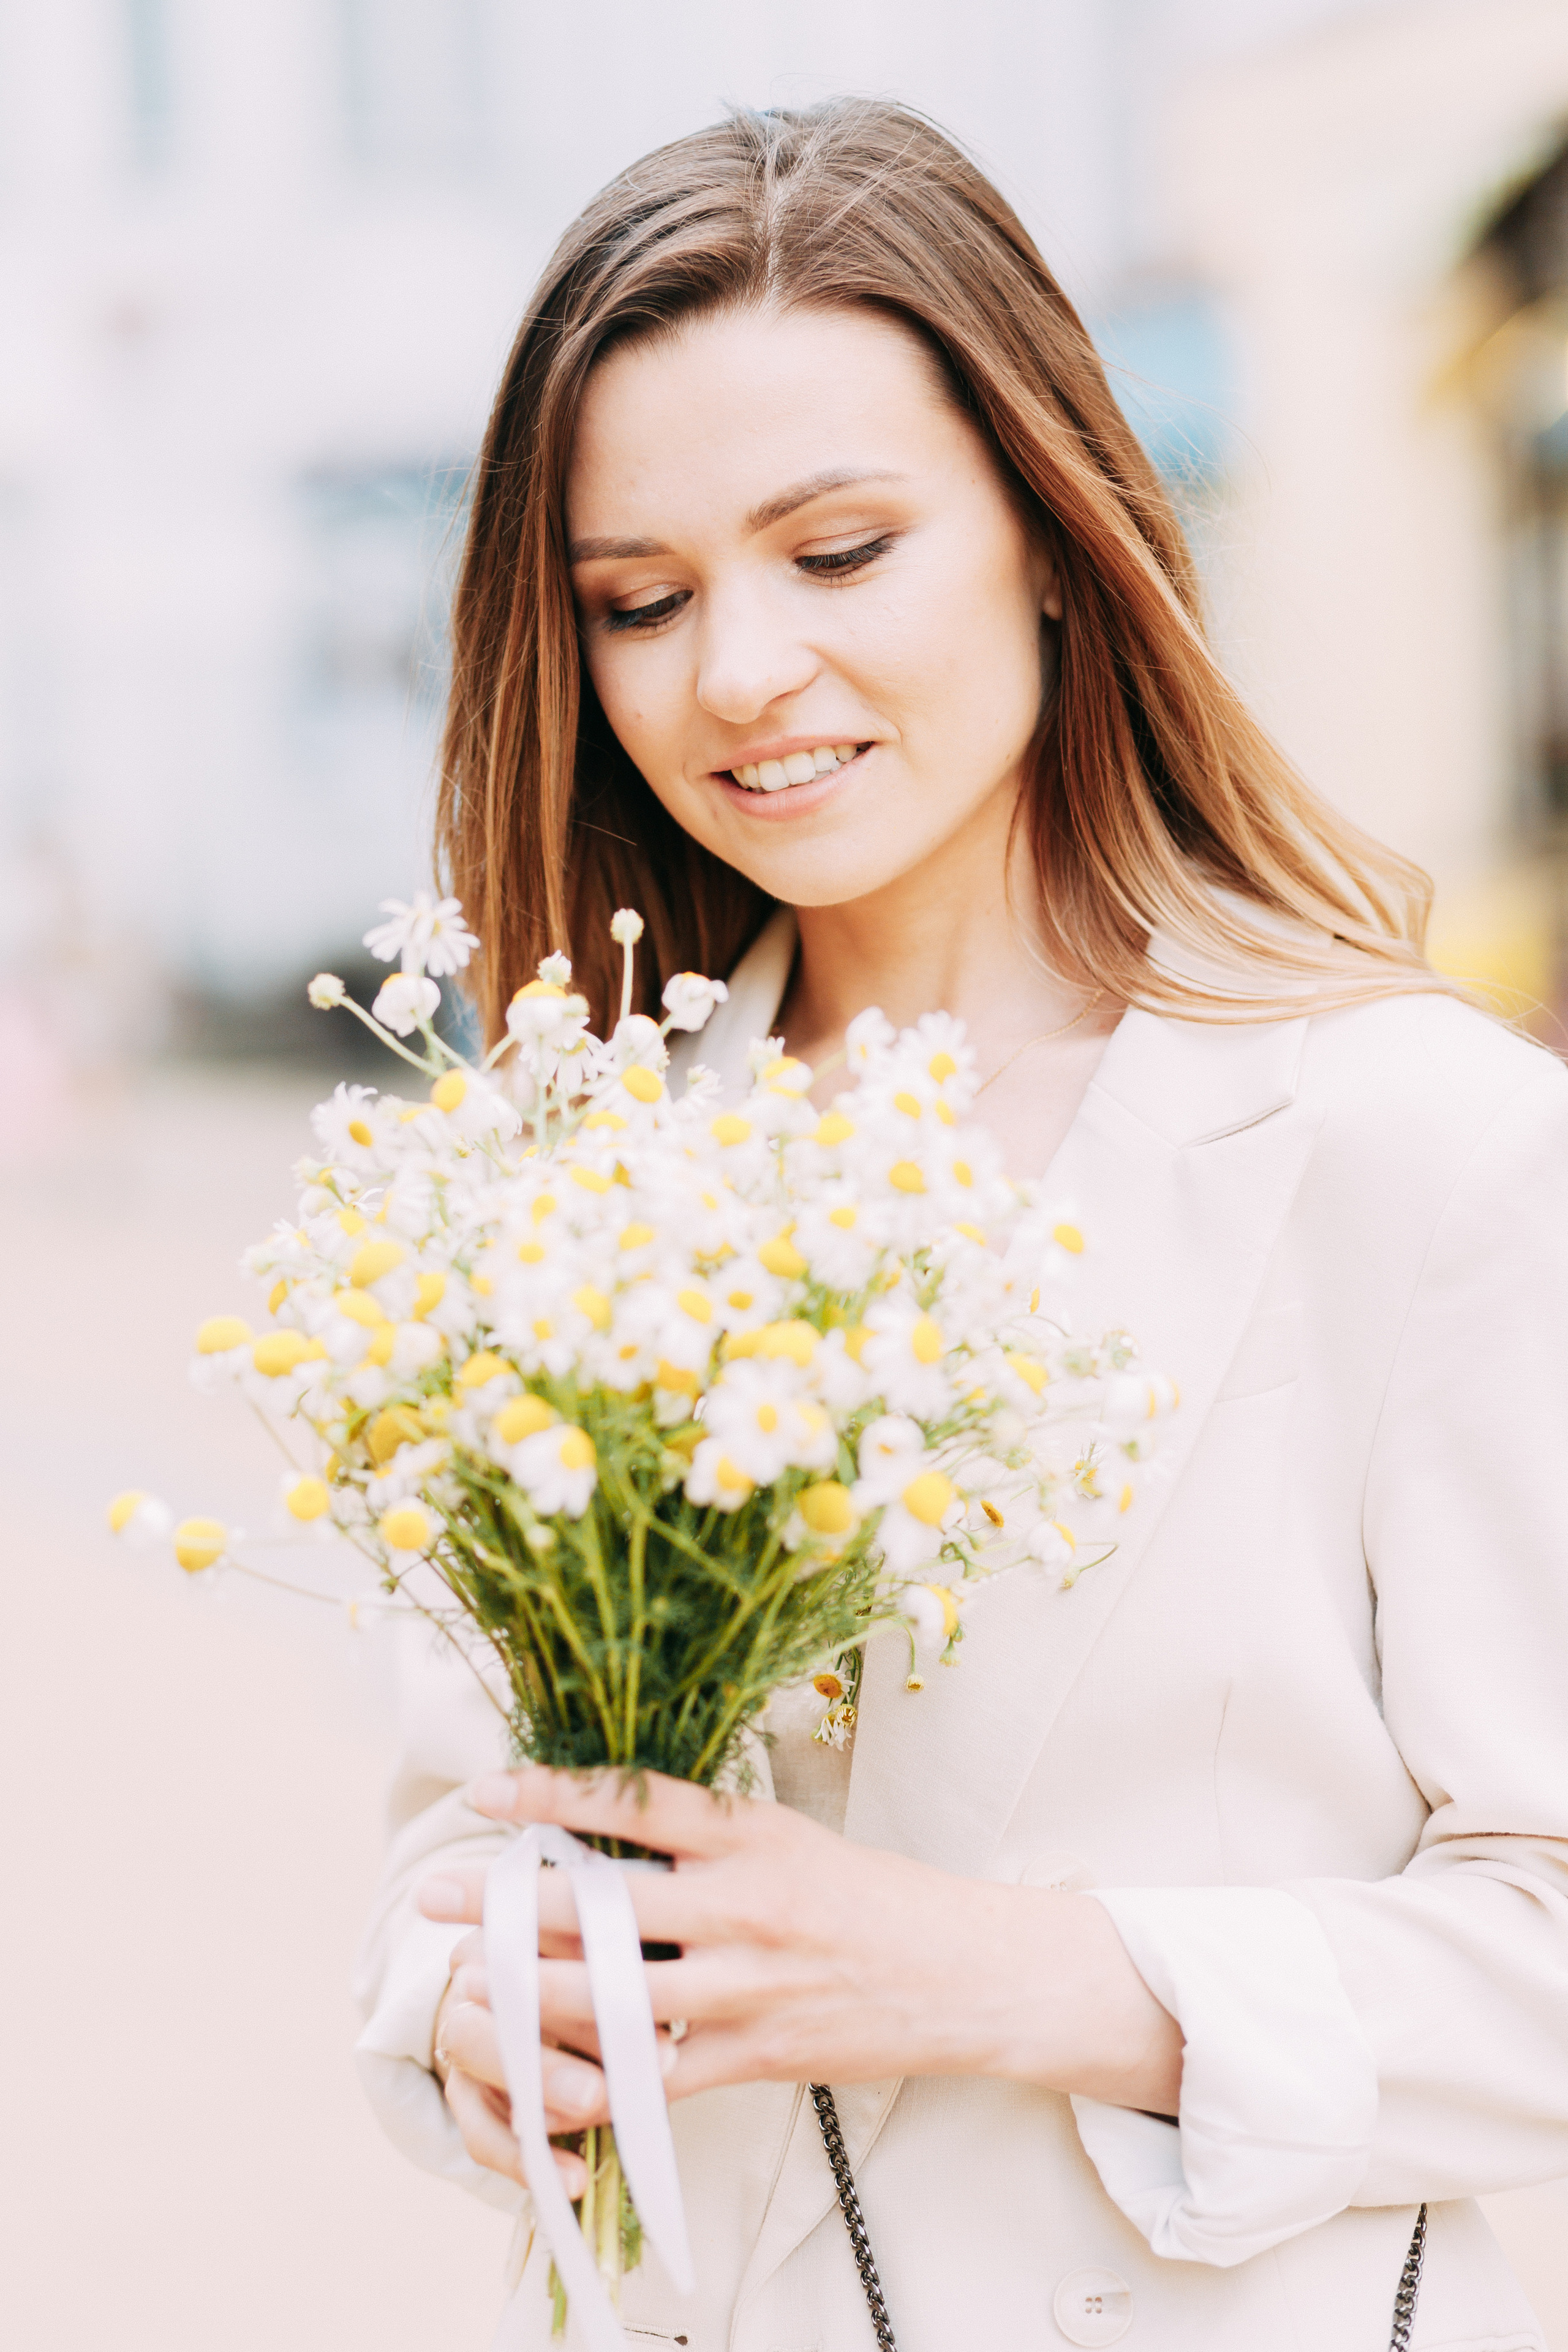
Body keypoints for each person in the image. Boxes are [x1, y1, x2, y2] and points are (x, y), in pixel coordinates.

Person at [353, 100, 1568, 2350]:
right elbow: (457, 1846)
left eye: (838, 553)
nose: (736, 672)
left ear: (1050, 530)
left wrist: (1004, 1976)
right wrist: (472, 2007)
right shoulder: (569, 1177)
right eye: (639, 601)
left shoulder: (1419, 1142)